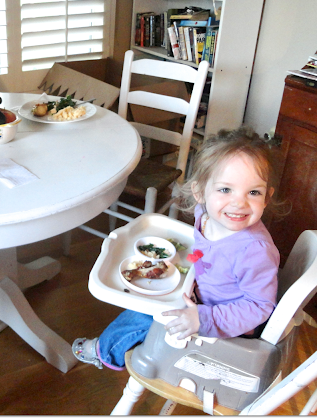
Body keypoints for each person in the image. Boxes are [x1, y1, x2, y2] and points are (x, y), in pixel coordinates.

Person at [72, 127, 285, 370]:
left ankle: (105, 351)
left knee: (145, 314)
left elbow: (259, 307)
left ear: (267, 197)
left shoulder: (254, 251)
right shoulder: (205, 215)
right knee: (146, 293)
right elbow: (210, 250)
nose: (239, 202)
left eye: (254, 192)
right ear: (200, 192)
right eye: (225, 189)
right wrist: (192, 260)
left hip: (226, 325)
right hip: (198, 293)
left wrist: (203, 318)